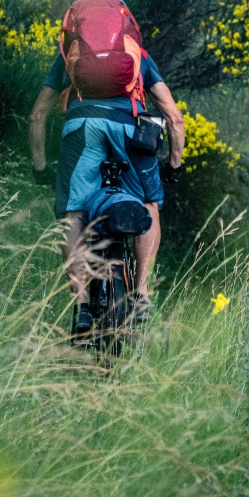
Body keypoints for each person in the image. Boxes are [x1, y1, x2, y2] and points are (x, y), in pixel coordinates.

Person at [28, 38, 185, 336]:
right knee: (148, 204)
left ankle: (81, 307)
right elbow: (174, 118)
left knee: (73, 212)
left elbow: (37, 115)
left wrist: (39, 166)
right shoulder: (138, 54)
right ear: (126, 26)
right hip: (131, 129)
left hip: (82, 128)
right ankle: (141, 294)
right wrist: (174, 164)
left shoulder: (69, 55)